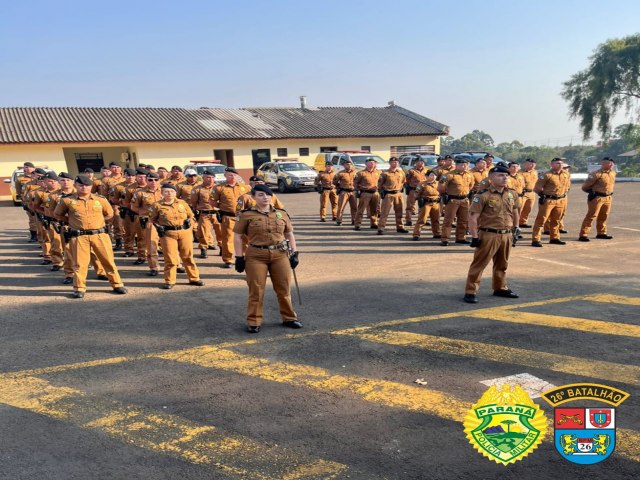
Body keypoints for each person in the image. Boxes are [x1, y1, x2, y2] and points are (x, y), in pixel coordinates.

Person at [233, 184, 301, 333]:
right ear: (253, 197)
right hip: (256, 255)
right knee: (256, 290)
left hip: (280, 254)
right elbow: (237, 236)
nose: (265, 198)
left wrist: (294, 253)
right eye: (261, 195)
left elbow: (289, 234)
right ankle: (254, 321)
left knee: (283, 289)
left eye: (268, 195)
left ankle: (289, 318)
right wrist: (239, 257)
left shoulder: (281, 213)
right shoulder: (246, 215)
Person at [53, 175, 127, 298]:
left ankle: (117, 284)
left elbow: (109, 214)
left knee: (108, 261)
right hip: (79, 236)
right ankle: (79, 288)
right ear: (76, 185)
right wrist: (71, 221)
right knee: (80, 264)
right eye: (81, 185)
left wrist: (97, 222)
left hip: (100, 235)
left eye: (87, 185)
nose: (84, 187)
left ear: (91, 186)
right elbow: (58, 214)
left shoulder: (101, 200)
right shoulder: (67, 200)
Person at [463, 164, 521, 303]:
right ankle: (470, 291)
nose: (504, 178)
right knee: (479, 264)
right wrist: (474, 236)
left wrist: (516, 228)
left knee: (502, 264)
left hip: (506, 234)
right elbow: (473, 217)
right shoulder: (483, 195)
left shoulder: (512, 193)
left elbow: (515, 212)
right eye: (500, 175)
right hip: (489, 234)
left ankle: (500, 287)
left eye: (506, 175)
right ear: (491, 178)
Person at [149, 184, 204, 289]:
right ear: (162, 193)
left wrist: (190, 222)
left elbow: (191, 215)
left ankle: (194, 278)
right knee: (171, 259)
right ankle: (170, 280)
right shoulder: (157, 205)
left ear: (175, 193)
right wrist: (158, 227)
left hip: (184, 232)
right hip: (168, 234)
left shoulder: (182, 203)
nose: (169, 193)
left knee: (188, 256)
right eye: (166, 191)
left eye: (172, 191)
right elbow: (152, 219)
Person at [211, 167, 250, 267]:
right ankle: (228, 259)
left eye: (234, 175)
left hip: (243, 217)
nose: (232, 176)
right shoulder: (219, 188)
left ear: (237, 176)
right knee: (228, 238)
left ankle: (246, 256)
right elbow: (212, 201)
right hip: (228, 217)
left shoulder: (244, 187)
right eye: (229, 175)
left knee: (246, 238)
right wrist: (222, 208)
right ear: (225, 175)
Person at [531, 157, 571, 247]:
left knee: (556, 220)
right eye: (557, 163)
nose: (560, 165)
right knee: (541, 220)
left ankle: (554, 238)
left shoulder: (566, 174)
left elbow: (567, 185)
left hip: (561, 200)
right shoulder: (546, 175)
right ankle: (536, 239)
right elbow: (536, 188)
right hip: (548, 200)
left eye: (561, 163)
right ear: (552, 165)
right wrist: (543, 195)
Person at [131, 172, 163, 275]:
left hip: (165, 221)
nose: (153, 182)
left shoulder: (165, 191)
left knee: (170, 244)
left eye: (155, 180)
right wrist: (144, 214)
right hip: (150, 221)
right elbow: (134, 207)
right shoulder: (140, 193)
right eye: (150, 180)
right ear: (147, 181)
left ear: (159, 180)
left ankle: (176, 264)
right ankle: (154, 267)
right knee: (152, 244)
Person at [578, 157, 617, 241]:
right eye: (609, 163)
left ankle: (601, 233)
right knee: (591, 216)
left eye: (612, 163)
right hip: (597, 198)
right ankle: (583, 234)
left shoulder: (613, 173)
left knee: (604, 216)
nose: (611, 165)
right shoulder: (596, 174)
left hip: (608, 197)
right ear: (603, 164)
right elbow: (585, 187)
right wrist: (592, 193)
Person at [438, 158, 474, 246]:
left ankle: (460, 238)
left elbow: (471, 185)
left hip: (465, 200)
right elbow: (441, 187)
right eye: (462, 165)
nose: (464, 166)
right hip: (453, 200)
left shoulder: (469, 175)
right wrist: (445, 195)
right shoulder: (449, 175)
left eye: (466, 165)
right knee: (448, 220)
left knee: (463, 220)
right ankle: (445, 239)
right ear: (456, 165)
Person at [377, 157, 408, 234]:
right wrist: (382, 193)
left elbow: (404, 182)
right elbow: (380, 185)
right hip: (388, 194)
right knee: (384, 212)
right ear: (390, 163)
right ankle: (381, 228)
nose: (395, 163)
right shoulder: (385, 173)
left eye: (397, 162)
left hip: (398, 194)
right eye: (393, 162)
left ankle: (400, 227)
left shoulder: (401, 173)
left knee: (399, 212)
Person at [411, 170, 441, 240]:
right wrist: (417, 199)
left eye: (434, 175)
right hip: (426, 203)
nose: (433, 177)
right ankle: (416, 234)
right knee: (422, 220)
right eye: (431, 175)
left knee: (436, 219)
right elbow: (416, 193)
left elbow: (442, 191)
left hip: (436, 203)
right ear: (427, 176)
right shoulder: (422, 184)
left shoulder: (438, 183)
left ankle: (436, 233)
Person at [353, 157, 381, 230]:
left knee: (374, 210)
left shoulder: (379, 172)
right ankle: (357, 224)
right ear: (366, 164)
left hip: (375, 193)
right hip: (365, 193)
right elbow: (355, 183)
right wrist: (359, 189)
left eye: (373, 162)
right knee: (361, 209)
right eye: (370, 162)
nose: (372, 164)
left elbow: (382, 182)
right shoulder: (361, 173)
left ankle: (374, 223)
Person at [17, 162, 38, 242]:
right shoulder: (20, 179)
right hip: (29, 201)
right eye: (25, 167)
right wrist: (24, 201)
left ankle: (42, 236)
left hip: (40, 200)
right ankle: (34, 236)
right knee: (32, 218)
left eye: (29, 167)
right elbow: (19, 191)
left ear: (33, 168)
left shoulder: (39, 176)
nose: (27, 168)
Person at [404, 155, 428, 226]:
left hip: (423, 191)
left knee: (423, 207)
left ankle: (423, 220)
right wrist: (407, 188)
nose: (420, 163)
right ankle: (408, 220)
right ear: (416, 163)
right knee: (410, 206)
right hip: (413, 190)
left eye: (422, 162)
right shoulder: (411, 171)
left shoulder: (426, 170)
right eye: (418, 162)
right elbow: (407, 180)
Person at [332, 160, 357, 225]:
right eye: (347, 164)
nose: (348, 166)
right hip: (344, 192)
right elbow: (334, 182)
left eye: (350, 164)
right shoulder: (340, 173)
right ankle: (339, 220)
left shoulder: (355, 173)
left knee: (354, 207)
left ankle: (354, 220)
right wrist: (339, 187)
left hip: (353, 192)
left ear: (352, 165)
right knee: (341, 207)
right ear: (344, 165)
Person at [518, 158, 538, 228]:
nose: (532, 165)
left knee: (528, 208)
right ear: (525, 164)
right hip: (523, 193)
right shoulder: (520, 173)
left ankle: (523, 222)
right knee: (519, 209)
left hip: (532, 193)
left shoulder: (535, 172)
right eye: (530, 164)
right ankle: (516, 224)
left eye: (533, 164)